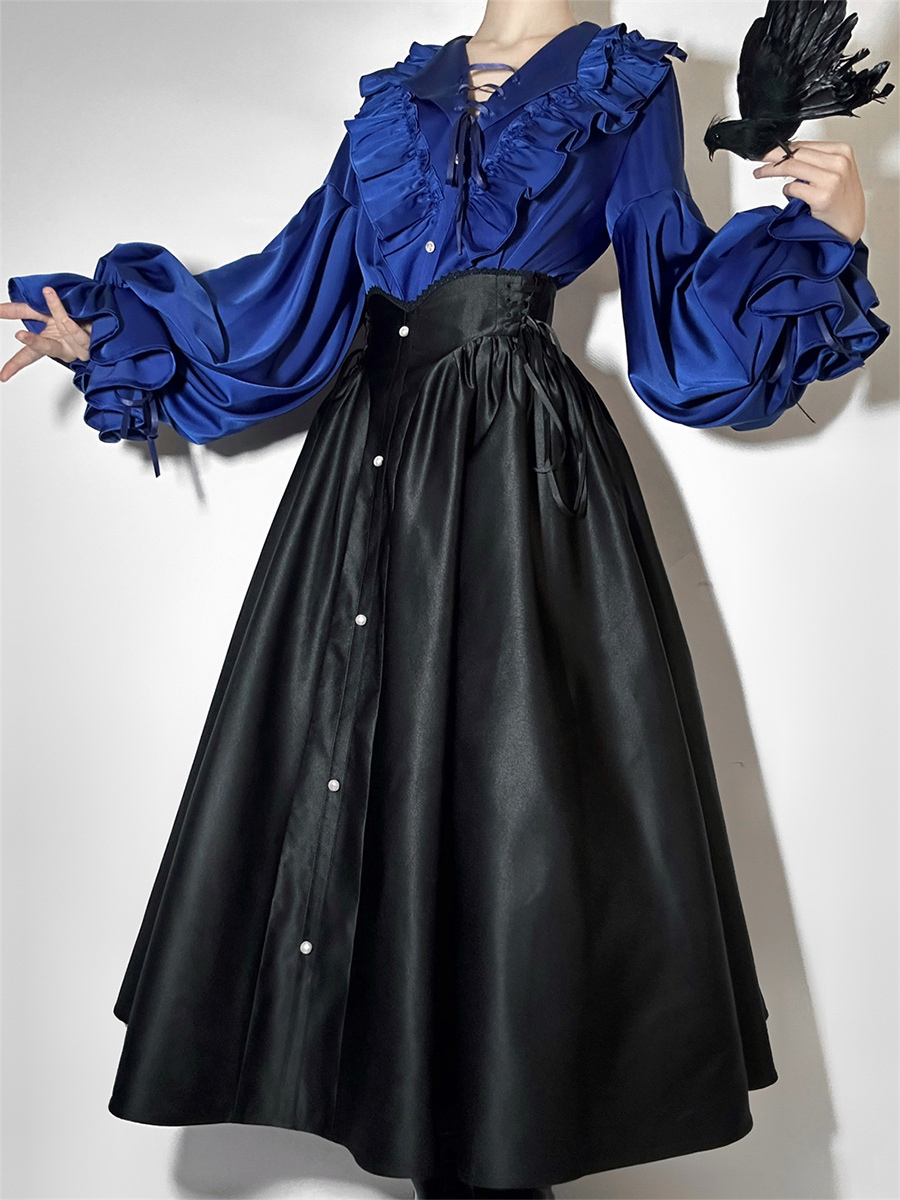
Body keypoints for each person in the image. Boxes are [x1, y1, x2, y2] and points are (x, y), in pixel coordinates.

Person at [1, 3, 890, 1198]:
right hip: (361, 482)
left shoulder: (626, 85)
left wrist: (819, 240)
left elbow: (675, 311)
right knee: (351, 781)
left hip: (515, 482)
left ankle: (499, 1136)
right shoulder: (394, 100)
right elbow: (292, 294)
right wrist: (109, 332)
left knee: (509, 815)